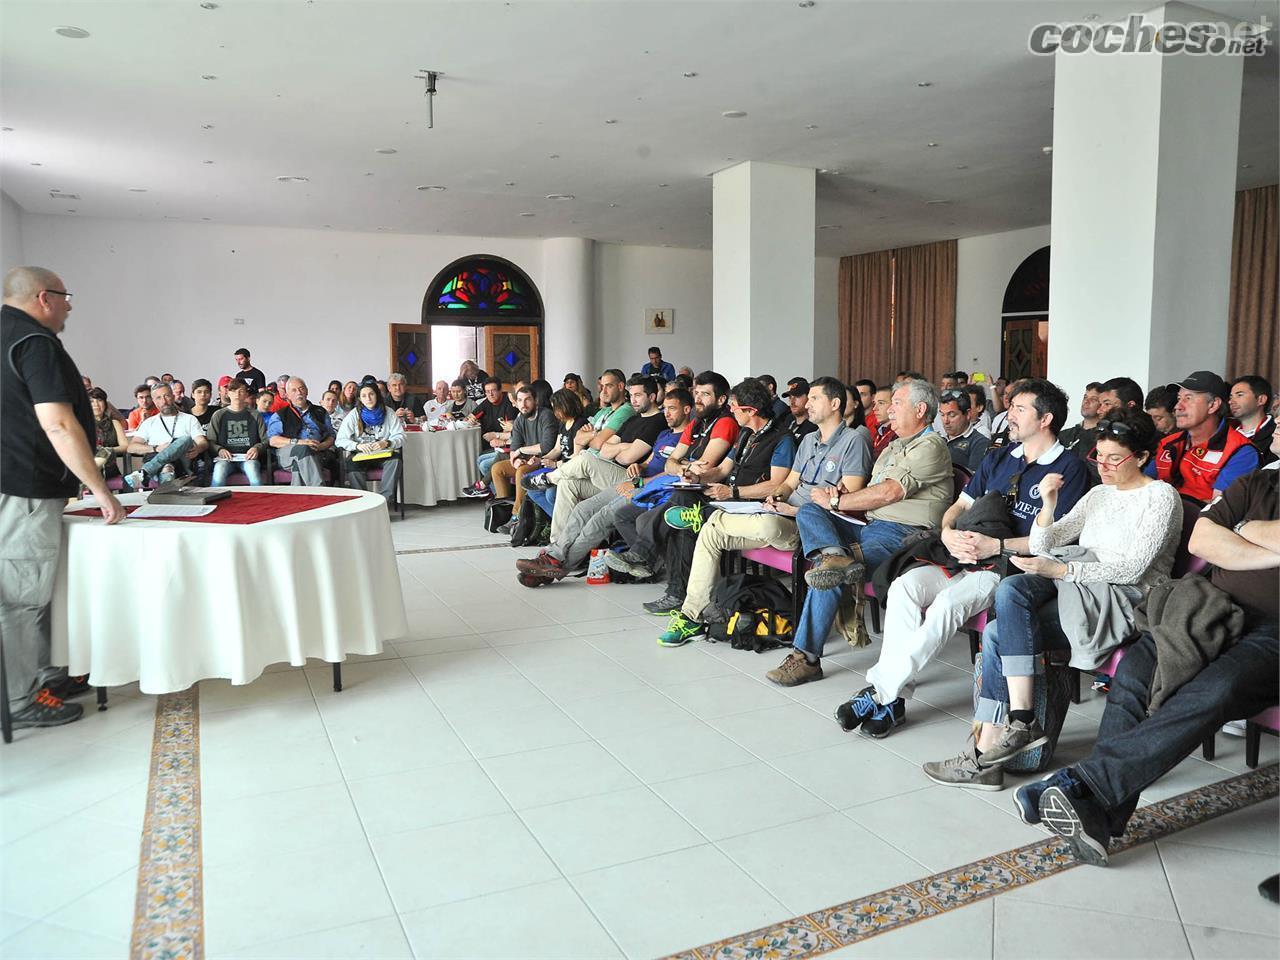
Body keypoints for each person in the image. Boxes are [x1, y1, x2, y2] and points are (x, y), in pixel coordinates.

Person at [1014, 431, 1279, 865]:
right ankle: (1097, 812)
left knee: (1218, 688)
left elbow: (1222, 540)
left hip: (1275, 630)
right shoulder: (1256, 484)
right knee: (1138, 667)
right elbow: (1202, 542)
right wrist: (1260, 539)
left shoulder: (1197, 494)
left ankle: (1083, 785)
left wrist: (1243, 532)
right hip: (1207, 605)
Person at [924, 409, 1181, 791]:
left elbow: (1131, 570)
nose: (1104, 467)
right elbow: (1047, 541)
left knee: (997, 634)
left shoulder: (1160, 497)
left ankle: (989, 754)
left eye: (1115, 459)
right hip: (1080, 584)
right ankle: (1021, 722)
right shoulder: (1098, 494)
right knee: (1011, 589)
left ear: (1142, 457)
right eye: (1100, 457)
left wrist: (1059, 572)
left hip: (1122, 598)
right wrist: (1048, 503)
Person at [836, 378, 1091, 737]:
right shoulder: (1001, 457)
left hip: (1007, 567)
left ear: (1045, 419)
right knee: (904, 588)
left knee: (945, 605)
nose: (1009, 415)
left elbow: (1055, 540)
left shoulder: (1069, 470)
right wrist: (948, 531)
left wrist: (996, 548)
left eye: (1019, 409)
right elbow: (959, 505)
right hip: (959, 554)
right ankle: (893, 700)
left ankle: (880, 692)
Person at [1, 268, 127, 729]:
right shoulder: (33, 343)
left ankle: (48, 672)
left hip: (14, 482)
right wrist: (100, 491)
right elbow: (57, 423)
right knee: (20, 596)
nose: (70, 306)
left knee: (34, 587)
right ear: (44, 297)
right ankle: (20, 698)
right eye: (65, 297)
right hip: (26, 488)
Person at [766, 378, 953, 686]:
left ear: (920, 410)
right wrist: (835, 496)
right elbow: (871, 490)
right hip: (869, 525)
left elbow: (890, 492)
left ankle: (806, 658)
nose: (888, 410)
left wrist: (838, 499)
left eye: (896, 403)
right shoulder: (894, 446)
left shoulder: (931, 446)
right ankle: (836, 557)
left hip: (904, 536)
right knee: (812, 510)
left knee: (829, 569)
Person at [651, 378, 866, 643]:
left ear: (834, 404)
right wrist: (776, 498)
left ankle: (706, 515)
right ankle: (692, 617)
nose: (805, 404)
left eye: (813, 398)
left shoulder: (853, 441)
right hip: (780, 513)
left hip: (810, 526)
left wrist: (790, 508)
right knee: (710, 534)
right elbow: (788, 483)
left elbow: (847, 499)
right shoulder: (809, 440)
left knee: (760, 525)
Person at [516, 388, 690, 583]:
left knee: (602, 517)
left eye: (672, 409)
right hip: (635, 480)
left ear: (686, 410)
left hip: (652, 488)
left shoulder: (688, 438)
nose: (666, 413)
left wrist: (640, 481)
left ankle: (557, 565)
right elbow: (648, 461)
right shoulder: (665, 433)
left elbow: (674, 471)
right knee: (584, 508)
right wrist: (638, 466)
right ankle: (553, 556)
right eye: (665, 408)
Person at [528, 374, 658, 544]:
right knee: (568, 484)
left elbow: (627, 457)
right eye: (632, 395)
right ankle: (558, 545)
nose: (633, 400)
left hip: (631, 480)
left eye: (638, 395)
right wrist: (618, 446)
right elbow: (600, 448)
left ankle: (549, 478)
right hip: (606, 473)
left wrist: (613, 446)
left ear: (652, 397)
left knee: (586, 458)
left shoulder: (656, 421)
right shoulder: (633, 419)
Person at [1147, 370, 1259, 504]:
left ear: (1212, 405)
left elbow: (1219, 510)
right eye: (1178, 399)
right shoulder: (1169, 443)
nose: (1177, 407)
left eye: (1188, 398)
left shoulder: (1240, 452)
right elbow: (1141, 482)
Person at [491, 382, 557, 515]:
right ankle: (504, 512)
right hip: (526, 460)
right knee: (497, 469)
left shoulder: (546, 415)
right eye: (520, 400)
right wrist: (515, 460)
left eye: (527, 400)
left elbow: (546, 447)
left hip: (544, 461)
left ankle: (517, 516)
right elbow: (515, 446)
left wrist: (521, 451)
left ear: (535, 400)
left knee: (522, 472)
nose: (523, 404)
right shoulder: (520, 418)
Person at [125, 382, 210, 487]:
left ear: (173, 396)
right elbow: (131, 447)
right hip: (158, 462)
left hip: (182, 461)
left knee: (186, 439)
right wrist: (156, 448)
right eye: (159, 398)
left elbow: (203, 442)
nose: (164, 401)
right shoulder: (149, 423)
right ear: (154, 401)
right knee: (167, 468)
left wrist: (198, 449)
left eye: (167, 396)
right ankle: (165, 499)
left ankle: (145, 472)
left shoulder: (189, 419)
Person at [336, 382, 405, 503]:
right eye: (364, 396)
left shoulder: (389, 413)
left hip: (383, 453)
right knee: (351, 463)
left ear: (377, 395)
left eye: (371, 394)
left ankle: (384, 502)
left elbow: (401, 436)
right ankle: (364, 503)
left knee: (396, 460)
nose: (368, 398)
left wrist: (387, 443)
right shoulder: (354, 415)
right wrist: (357, 446)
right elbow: (340, 440)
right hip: (362, 454)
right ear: (359, 398)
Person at [267, 377, 336, 486]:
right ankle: (319, 490)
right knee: (303, 449)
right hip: (287, 453)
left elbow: (331, 436)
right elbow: (273, 440)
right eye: (294, 390)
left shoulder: (320, 411)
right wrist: (300, 443)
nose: (299, 392)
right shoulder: (280, 414)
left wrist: (322, 446)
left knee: (298, 467)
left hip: (317, 451)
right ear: (287, 395)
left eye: (301, 389)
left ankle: (297, 499)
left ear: (307, 391)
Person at [462, 377, 518, 498]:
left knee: (483, 464)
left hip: (506, 445)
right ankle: (496, 493)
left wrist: (497, 437)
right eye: (487, 392)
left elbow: (510, 429)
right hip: (497, 445)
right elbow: (470, 417)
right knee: (480, 459)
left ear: (500, 390)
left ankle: (499, 496)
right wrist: (471, 420)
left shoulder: (509, 404)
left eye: (493, 390)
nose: (490, 394)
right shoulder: (487, 402)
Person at [205, 380, 268, 486]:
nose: (237, 394)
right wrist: (219, 449)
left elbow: (265, 440)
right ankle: (215, 500)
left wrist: (257, 448)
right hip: (226, 459)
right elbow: (210, 441)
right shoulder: (219, 415)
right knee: (219, 470)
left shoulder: (255, 415)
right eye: (233, 391)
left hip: (248, 458)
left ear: (246, 394)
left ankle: (260, 500)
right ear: (228, 393)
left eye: (241, 391)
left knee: (252, 471)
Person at [938, 389, 989, 473]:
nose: (945, 421)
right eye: (942, 415)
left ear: (968, 414)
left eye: (952, 415)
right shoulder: (939, 439)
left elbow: (973, 480)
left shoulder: (979, 442)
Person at [1229, 375, 1276, 464]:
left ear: (1261, 400)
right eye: (1231, 397)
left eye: (1239, 395)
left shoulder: (1276, 435)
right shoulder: (1226, 431)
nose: (1231, 401)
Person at [89, 387, 127, 478]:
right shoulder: (83, 424)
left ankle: (88, 480)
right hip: (89, 461)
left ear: (105, 403)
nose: (96, 404)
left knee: (103, 453)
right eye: (91, 401)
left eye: (99, 400)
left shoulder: (115, 423)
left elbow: (125, 446)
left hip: (108, 466)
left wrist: (107, 450)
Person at [1059, 382, 1103, 454]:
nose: (1086, 401)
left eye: (1093, 399)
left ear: (1101, 405)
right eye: (1085, 397)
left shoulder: (1104, 438)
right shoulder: (1063, 435)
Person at [781, 377, 819, 445]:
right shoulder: (787, 420)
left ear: (809, 397)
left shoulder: (815, 426)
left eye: (797, 396)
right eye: (790, 397)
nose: (792, 402)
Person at [870, 385, 897, 457]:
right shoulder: (879, 431)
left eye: (881, 403)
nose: (874, 408)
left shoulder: (898, 434)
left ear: (894, 404)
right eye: (874, 404)